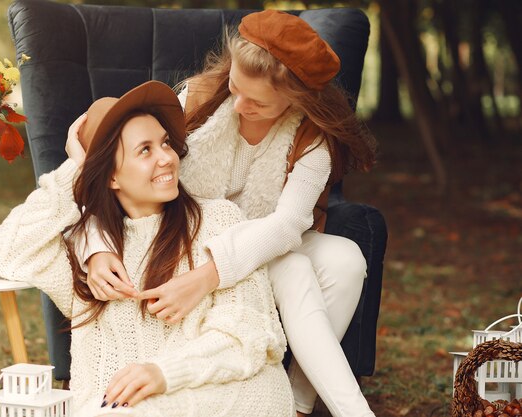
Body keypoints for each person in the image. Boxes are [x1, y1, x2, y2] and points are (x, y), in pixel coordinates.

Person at [73, 10, 377, 417]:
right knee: (298, 272)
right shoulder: (196, 99)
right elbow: (105, 158)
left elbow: (286, 226)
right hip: (188, 234)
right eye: (236, 86)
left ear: (296, 99)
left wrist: (208, 277)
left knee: (345, 260)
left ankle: (299, 401)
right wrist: (95, 243)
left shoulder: (311, 137)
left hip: (261, 239)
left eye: (258, 102)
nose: (238, 105)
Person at [0, 81, 295, 417]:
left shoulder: (219, 219)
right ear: (111, 178)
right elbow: (8, 249)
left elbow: (247, 332)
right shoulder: (88, 254)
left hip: (230, 394)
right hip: (124, 407)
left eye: (165, 143)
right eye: (145, 150)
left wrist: (163, 373)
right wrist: (76, 170)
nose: (167, 158)